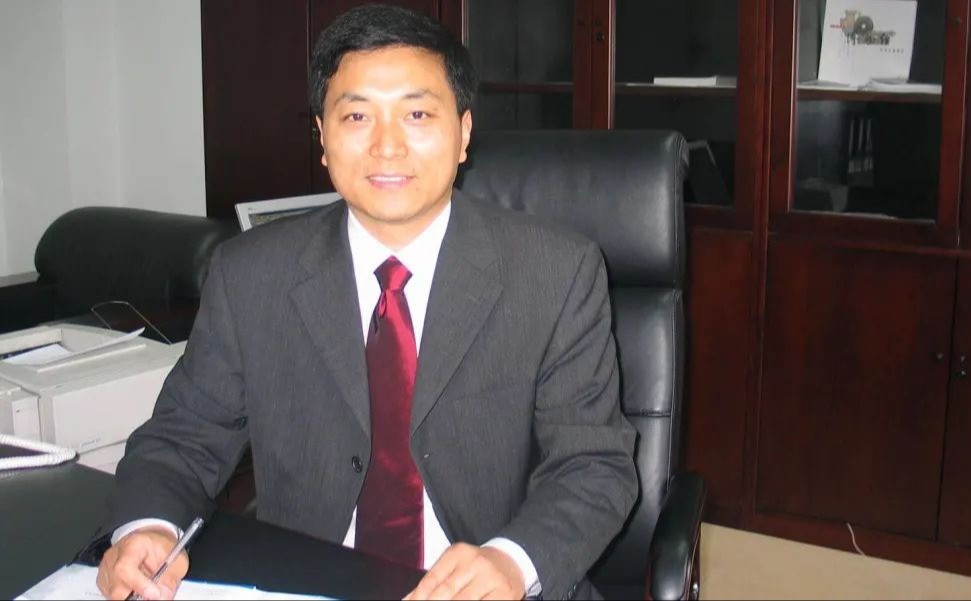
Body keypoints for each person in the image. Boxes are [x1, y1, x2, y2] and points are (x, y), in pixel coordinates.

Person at [94, 4, 637, 601]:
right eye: (357, 115)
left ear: (463, 133)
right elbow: (182, 437)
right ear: (323, 138)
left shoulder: (555, 272)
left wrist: (512, 563)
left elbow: (594, 465)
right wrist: (147, 527)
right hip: (305, 583)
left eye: (417, 114)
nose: (387, 147)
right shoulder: (250, 275)